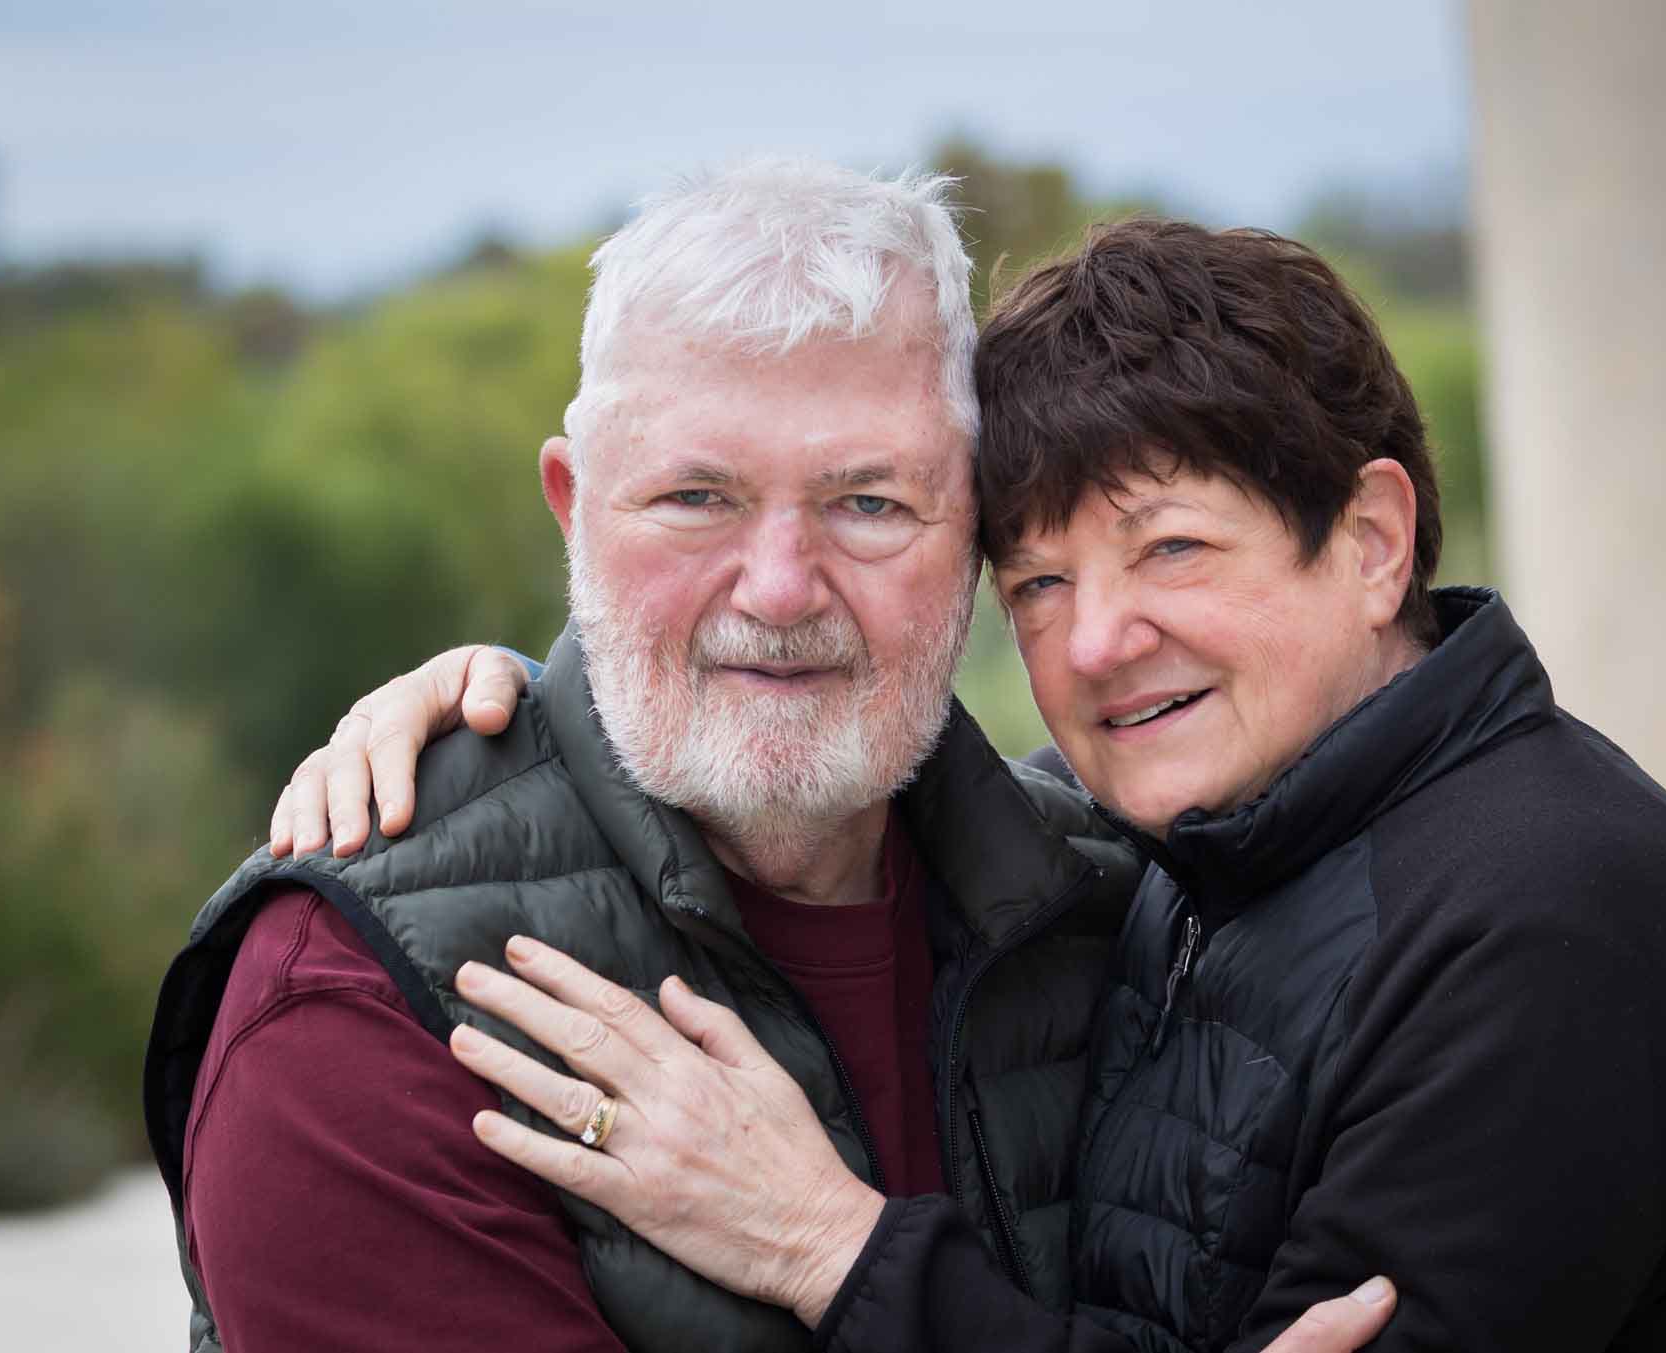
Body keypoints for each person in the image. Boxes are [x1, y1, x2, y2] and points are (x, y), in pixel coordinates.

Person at [301, 220, 1666, 1350]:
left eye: (1172, 549)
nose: (1096, 642)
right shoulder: (1178, 854)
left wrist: (832, 1244)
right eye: (1036, 580)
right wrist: (518, 712)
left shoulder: (1543, 917)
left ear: (1371, 541)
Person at [143, 164, 1394, 1353]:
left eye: (868, 504)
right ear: (575, 510)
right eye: (696, 499)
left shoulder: (1120, 909)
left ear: (973, 536)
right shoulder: (357, 1005)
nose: (782, 590)